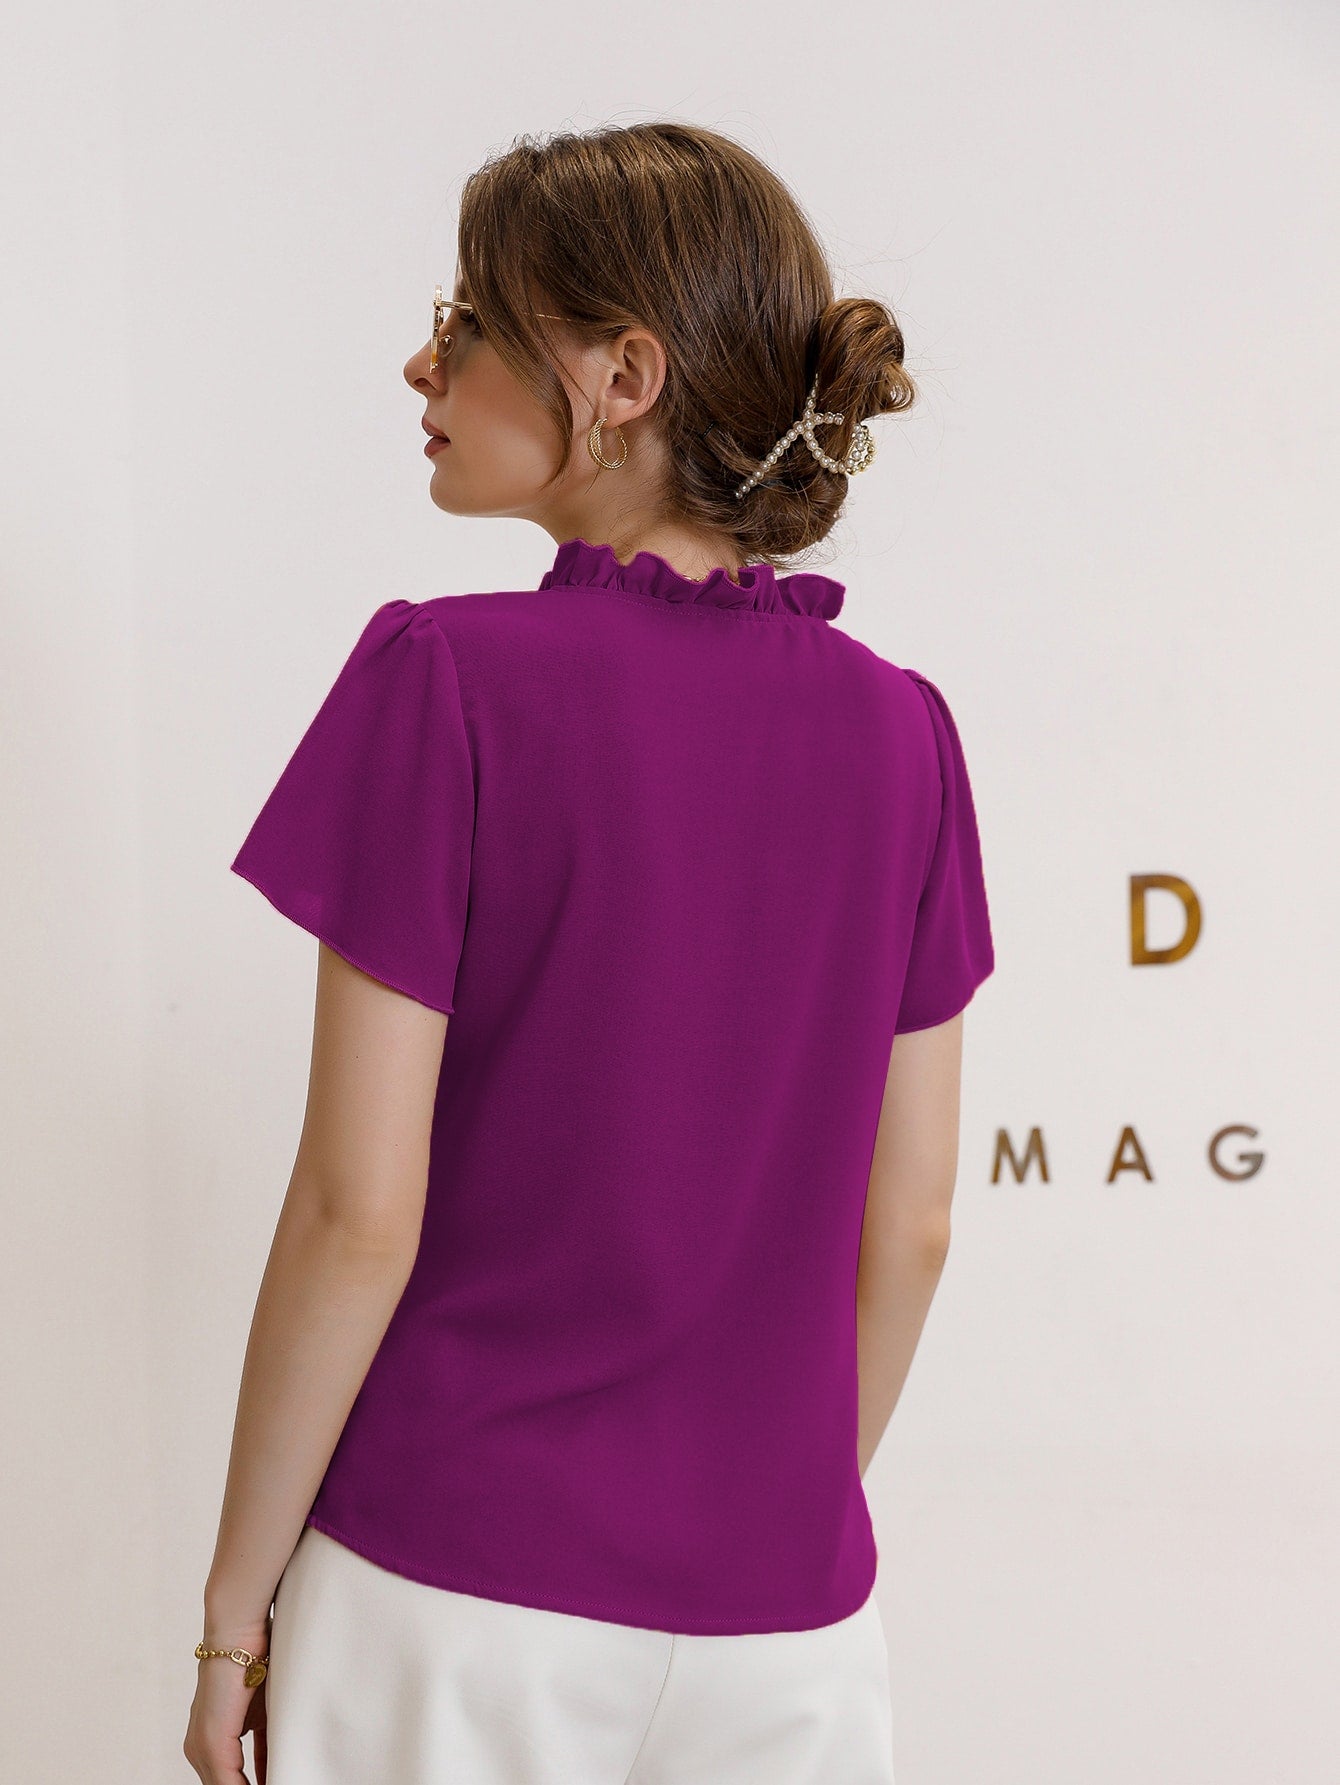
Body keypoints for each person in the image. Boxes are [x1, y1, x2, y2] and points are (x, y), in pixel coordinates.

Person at [184, 119, 995, 1785]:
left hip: (453, 1591)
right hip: (793, 1634)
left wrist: (232, 1609)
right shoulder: (905, 737)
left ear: (625, 376)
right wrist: (760, 1515)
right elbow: (911, 1222)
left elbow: (357, 1213)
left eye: (471, 321)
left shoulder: (447, 684)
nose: (425, 362)